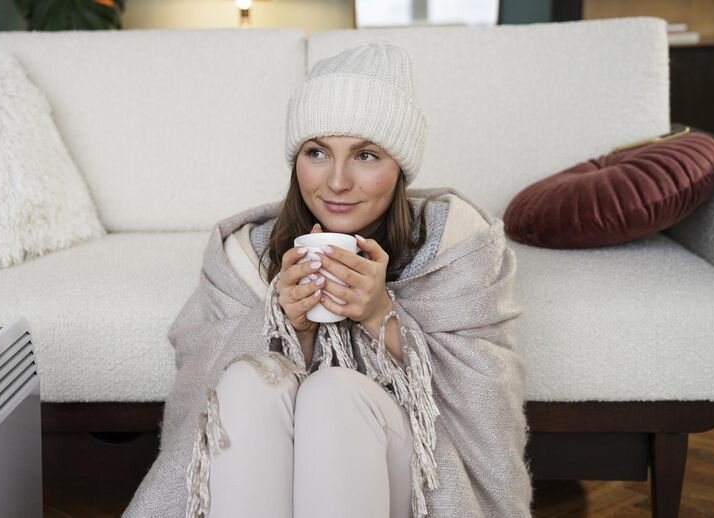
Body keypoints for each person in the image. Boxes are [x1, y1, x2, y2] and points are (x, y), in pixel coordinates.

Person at [122, 41, 533, 518]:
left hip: (413, 474)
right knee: (247, 381)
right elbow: (199, 397)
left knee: (334, 393)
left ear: (400, 166)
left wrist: (381, 315)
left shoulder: (454, 245)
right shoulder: (247, 255)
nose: (337, 182)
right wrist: (285, 324)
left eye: (366, 155)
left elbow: (485, 407)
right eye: (317, 152)